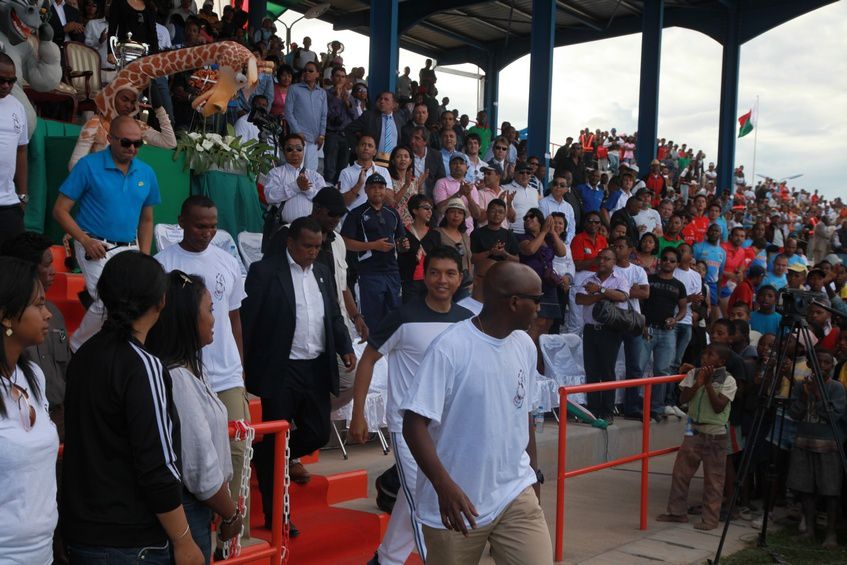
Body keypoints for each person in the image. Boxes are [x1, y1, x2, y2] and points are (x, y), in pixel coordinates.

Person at [402, 261, 553, 564]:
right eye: (535, 300)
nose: (539, 308)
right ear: (513, 302)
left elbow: (523, 413)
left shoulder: (524, 344)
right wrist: (443, 486)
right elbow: (413, 424)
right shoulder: (450, 348)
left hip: (514, 493)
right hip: (458, 503)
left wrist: (532, 477)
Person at [61, 251, 204, 564]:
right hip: (131, 540)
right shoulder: (143, 365)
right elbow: (157, 463)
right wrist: (183, 540)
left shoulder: (84, 356)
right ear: (160, 301)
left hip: (82, 533)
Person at [349, 246, 473, 565]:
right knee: (425, 496)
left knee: (413, 494)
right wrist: (359, 415)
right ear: (424, 274)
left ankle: (387, 559)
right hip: (407, 427)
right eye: (435, 272)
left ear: (460, 278)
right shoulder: (403, 317)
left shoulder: (467, 321)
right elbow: (368, 361)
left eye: (449, 273)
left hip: (448, 429)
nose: (441, 280)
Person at [242, 216, 356, 532]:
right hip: (280, 370)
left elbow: (333, 313)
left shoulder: (322, 272)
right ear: (291, 243)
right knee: (278, 439)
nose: (313, 252)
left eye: (318, 246)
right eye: (308, 246)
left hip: (316, 367)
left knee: (318, 433)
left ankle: (266, 455)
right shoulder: (265, 272)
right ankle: (277, 514)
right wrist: (243, 367)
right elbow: (249, 323)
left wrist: (345, 345)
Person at [154, 196, 253, 534]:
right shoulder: (162, 263)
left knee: (237, 449)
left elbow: (234, 319)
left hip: (225, 374)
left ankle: (235, 531)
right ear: (181, 221)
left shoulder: (227, 261)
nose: (207, 232)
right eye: (200, 225)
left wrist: (240, 366)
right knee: (190, 452)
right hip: (180, 373)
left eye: (212, 226)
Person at [146, 271, 242, 562]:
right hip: (188, 509)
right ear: (186, 317)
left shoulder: (191, 371)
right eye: (210, 310)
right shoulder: (178, 380)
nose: (215, 319)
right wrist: (230, 514)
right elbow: (200, 468)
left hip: (199, 508)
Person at [53, 116, 161, 352]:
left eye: (137, 143)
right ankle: (76, 348)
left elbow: (147, 218)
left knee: (140, 299)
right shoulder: (88, 166)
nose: (132, 148)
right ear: (110, 139)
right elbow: (60, 211)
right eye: (126, 143)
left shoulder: (146, 172)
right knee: (108, 301)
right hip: (94, 244)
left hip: (129, 247)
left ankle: (121, 350)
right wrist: (84, 240)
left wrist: (144, 255)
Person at [0, 257, 57, 565]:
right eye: (38, 305)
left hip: (41, 550)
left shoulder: (33, 374)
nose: (47, 314)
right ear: (7, 317)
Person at [656, 344, 737, 530]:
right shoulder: (694, 374)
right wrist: (698, 383)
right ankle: (676, 513)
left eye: (710, 355)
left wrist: (708, 385)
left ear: (721, 362)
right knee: (681, 473)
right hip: (693, 427)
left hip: (715, 432)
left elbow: (719, 407)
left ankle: (710, 519)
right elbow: (683, 399)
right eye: (705, 352)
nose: (704, 357)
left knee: (714, 478)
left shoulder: (729, 380)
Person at [786, 349, 845, 549]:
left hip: (827, 446)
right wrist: (804, 397)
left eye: (826, 363)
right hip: (804, 442)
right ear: (810, 365)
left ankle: (830, 533)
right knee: (806, 489)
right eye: (817, 362)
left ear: (832, 366)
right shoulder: (801, 386)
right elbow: (794, 414)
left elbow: (833, 415)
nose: (821, 366)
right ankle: (809, 529)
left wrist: (818, 395)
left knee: (830, 490)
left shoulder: (836, 388)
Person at [341, 173, 407, 329]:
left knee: (394, 318)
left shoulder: (393, 213)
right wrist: (373, 245)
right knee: (372, 320)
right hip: (369, 273)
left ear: (386, 190)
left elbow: (400, 240)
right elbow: (344, 242)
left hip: (392, 271)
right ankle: (371, 351)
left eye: (381, 187)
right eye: (373, 188)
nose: (377, 191)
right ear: (366, 190)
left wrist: (404, 246)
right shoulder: (356, 213)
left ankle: (390, 351)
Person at [576, 248, 631, 422]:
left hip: (610, 331)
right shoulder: (588, 279)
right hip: (591, 330)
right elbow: (580, 299)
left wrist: (599, 291)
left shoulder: (621, 280)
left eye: (607, 259)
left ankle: (607, 411)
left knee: (607, 371)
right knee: (591, 371)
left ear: (614, 262)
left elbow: (622, 297)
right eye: (600, 258)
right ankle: (592, 410)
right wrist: (605, 295)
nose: (602, 262)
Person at [69, 87, 177, 170]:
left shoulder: (136, 125)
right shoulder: (94, 124)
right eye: (124, 99)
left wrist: (159, 109)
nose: (129, 106)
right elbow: (74, 165)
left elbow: (169, 143)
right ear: (112, 98)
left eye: (132, 102)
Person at [640, 247, 688, 421]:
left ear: (677, 264)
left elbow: (683, 309)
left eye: (672, 260)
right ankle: (638, 406)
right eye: (665, 259)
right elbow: (639, 303)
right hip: (647, 328)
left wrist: (676, 319)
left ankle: (657, 407)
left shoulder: (679, 285)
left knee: (662, 370)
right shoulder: (648, 279)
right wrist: (642, 323)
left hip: (667, 332)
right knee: (639, 367)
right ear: (660, 260)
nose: (668, 262)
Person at [517, 208, 566, 357]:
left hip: (548, 284)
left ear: (540, 220)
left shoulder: (549, 238)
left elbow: (562, 252)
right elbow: (530, 250)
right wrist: (543, 232)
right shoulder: (521, 237)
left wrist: (551, 232)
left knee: (547, 323)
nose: (528, 220)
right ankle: (526, 356)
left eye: (532, 217)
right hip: (531, 283)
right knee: (536, 322)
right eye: (526, 218)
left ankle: (539, 360)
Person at [264, 132, 327, 223]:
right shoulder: (275, 173)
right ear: (283, 151)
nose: (294, 152)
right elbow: (269, 196)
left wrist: (307, 189)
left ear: (303, 151)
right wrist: (295, 186)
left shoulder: (315, 176)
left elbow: (324, 201)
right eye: (289, 149)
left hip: (310, 229)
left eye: (299, 149)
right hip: (283, 228)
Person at [0, 54, 29, 247]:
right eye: (1, 80)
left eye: (11, 81)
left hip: (8, 201)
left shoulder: (18, 107)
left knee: (14, 264)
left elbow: (21, 152)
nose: (6, 85)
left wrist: (23, 195)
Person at [421, 198, 473, 301]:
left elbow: (468, 260)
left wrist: (471, 281)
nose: (456, 215)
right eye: (452, 212)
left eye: (460, 213)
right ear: (446, 214)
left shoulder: (465, 236)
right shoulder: (436, 233)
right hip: (443, 282)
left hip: (463, 283)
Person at [284, 60, 327, 171]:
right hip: (297, 139)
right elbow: (288, 113)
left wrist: (322, 135)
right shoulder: (294, 88)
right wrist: (297, 132)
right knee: (295, 170)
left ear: (318, 74)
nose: (307, 72)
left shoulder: (322, 92)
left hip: (314, 139)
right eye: (305, 70)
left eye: (310, 71)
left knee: (311, 172)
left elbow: (324, 115)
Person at [345, 91, 405, 160]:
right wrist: (357, 148)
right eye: (381, 99)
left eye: (386, 99)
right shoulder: (369, 116)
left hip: (393, 162)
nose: (382, 101)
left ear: (394, 104)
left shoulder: (400, 120)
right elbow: (349, 129)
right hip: (372, 161)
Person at [339, 135, 393, 210]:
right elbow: (343, 202)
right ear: (357, 149)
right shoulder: (345, 172)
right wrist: (359, 184)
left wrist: (378, 182)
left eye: (370, 146)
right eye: (363, 144)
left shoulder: (383, 171)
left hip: (376, 218)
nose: (366, 148)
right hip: (353, 218)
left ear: (375, 152)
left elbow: (390, 201)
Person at [323, 66, 357, 184]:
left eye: (343, 77)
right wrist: (337, 98)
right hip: (332, 134)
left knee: (342, 169)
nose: (340, 79)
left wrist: (347, 103)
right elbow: (329, 115)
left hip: (346, 136)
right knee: (330, 168)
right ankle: (328, 193)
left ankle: (337, 194)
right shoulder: (326, 94)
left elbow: (355, 117)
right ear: (332, 78)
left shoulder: (349, 96)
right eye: (337, 76)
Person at [433, 155, 482, 233]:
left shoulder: (471, 186)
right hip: (446, 230)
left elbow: (477, 215)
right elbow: (439, 209)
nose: (458, 165)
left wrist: (468, 196)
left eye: (461, 163)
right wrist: (459, 193)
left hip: (467, 232)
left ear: (467, 168)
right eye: (455, 163)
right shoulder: (441, 182)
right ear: (449, 166)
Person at [397, 194, 432, 303]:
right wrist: (414, 258)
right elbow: (400, 260)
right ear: (415, 210)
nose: (430, 211)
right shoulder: (403, 233)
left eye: (431, 208)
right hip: (410, 283)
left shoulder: (435, 234)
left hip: (430, 282)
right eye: (426, 208)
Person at [386, 145, 426, 226]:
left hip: (412, 224)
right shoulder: (388, 179)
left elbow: (420, 203)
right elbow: (391, 204)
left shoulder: (414, 180)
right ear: (393, 161)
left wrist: (420, 186)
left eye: (406, 156)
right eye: (398, 156)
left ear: (410, 161)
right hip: (395, 222)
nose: (403, 159)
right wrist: (406, 185)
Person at [538, 175, 576, 244]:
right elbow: (540, 226)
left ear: (566, 189)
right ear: (551, 186)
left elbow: (571, 229)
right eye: (555, 184)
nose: (558, 186)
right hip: (547, 244)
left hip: (565, 245)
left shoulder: (569, 207)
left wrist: (565, 242)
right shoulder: (542, 203)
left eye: (562, 185)